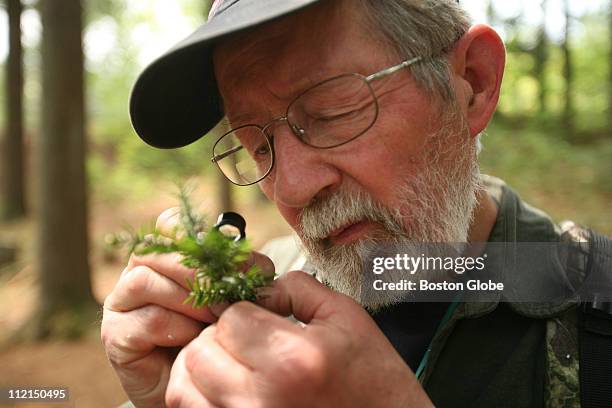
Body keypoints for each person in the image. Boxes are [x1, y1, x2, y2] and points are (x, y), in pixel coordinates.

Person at [101, 1, 611, 407]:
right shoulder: (262, 292)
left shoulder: (596, 314)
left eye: (331, 111)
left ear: (472, 84)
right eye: (258, 147)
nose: (292, 189)